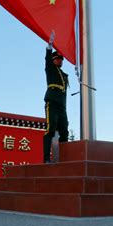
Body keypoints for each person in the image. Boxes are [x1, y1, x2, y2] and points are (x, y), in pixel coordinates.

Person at [43, 31, 69, 163]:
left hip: (61, 106)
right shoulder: (50, 69)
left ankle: (63, 158)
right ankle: (47, 158)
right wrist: (50, 46)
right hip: (52, 103)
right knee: (50, 129)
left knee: (64, 131)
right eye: (57, 59)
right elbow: (47, 59)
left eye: (61, 59)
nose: (60, 61)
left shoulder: (64, 75)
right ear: (53, 60)